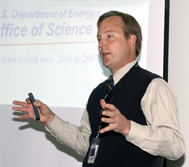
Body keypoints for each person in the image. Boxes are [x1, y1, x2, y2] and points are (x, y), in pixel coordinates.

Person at [12, 11, 185, 166]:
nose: (101, 44)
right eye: (99, 38)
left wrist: (128, 127)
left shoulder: (153, 86)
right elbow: (85, 143)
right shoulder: (98, 92)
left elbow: (175, 147)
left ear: (131, 40)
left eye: (109, 36)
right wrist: (50, 119)